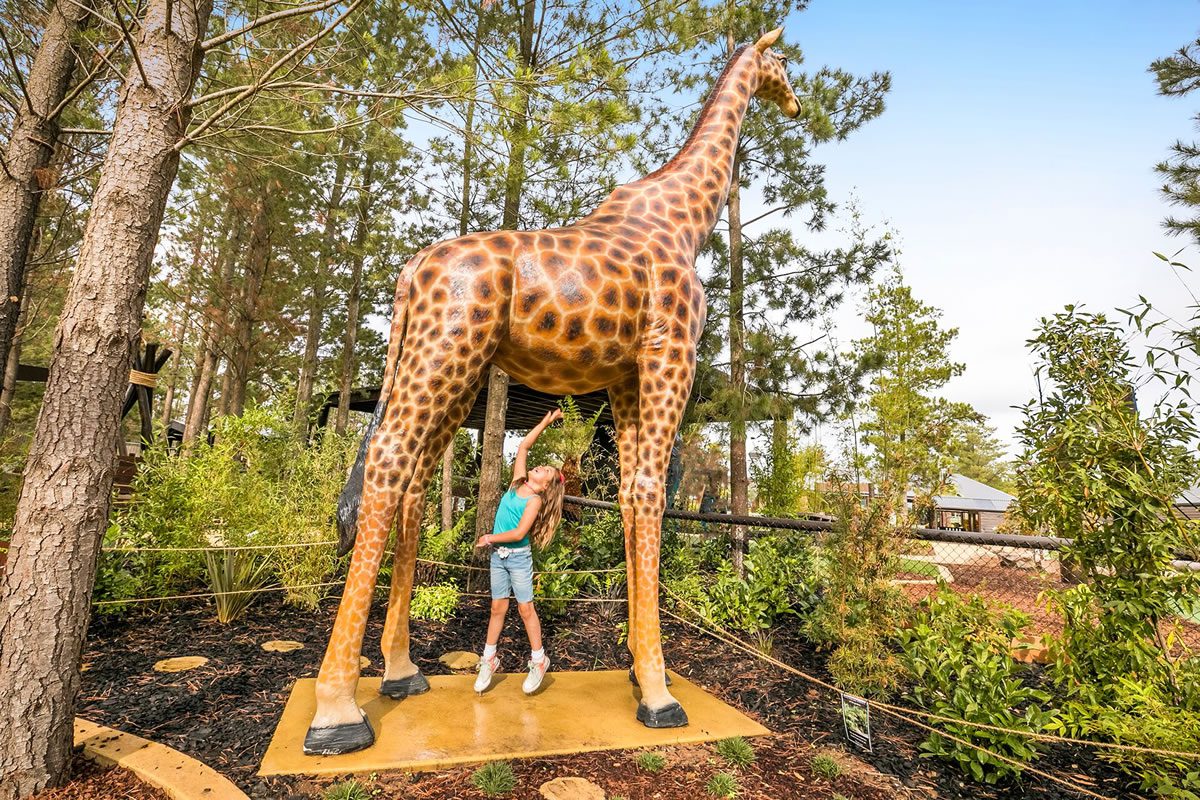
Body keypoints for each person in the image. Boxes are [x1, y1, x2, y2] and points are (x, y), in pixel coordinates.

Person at [473, 408, 566, 695]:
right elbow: (524, 445)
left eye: (546, 471)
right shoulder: (517, 483)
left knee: (526, 609)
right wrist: (545, 421)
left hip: (518, 558)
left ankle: (539, 660)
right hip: (498, 558)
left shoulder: (535, 501)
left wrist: (489, 538)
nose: (540, 467)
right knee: (497, 608)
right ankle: (489, 659)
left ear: (546, 486)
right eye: (542, 466)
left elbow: (518, 533)